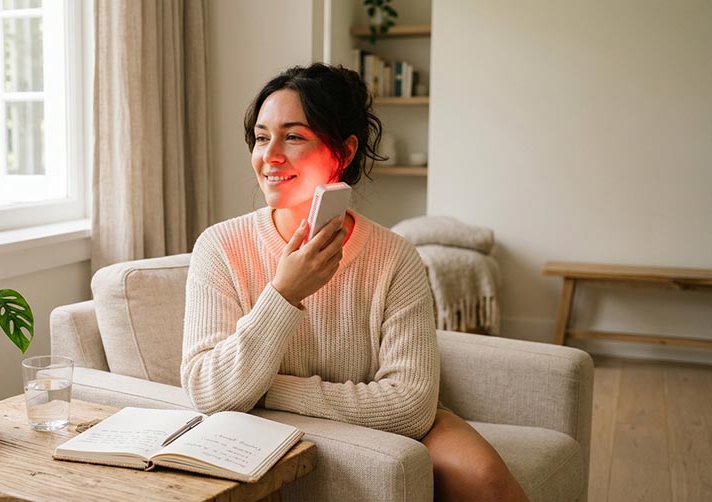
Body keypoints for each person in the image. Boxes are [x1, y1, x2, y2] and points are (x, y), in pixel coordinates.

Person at [180, 63, 528, 502]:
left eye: (294, 136)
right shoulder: (220, 247)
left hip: (368, 427)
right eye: (262, 136)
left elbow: (412, 405)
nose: (270, 155)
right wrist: (283, 294)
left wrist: (267, 388)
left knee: (484, 478)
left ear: (343, 152)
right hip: (271, 433)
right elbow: (207, 390)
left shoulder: (394, 256)